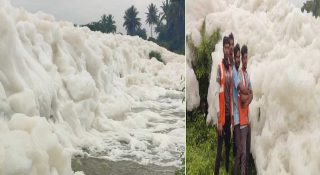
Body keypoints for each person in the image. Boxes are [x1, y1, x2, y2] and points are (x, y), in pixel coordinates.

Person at [214, 36, 233, 175]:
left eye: (229, 47)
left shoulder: (231, 68)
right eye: (225, 47)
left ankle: (226, 170)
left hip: (229, 115)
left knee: (228, 146)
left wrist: (231, 116)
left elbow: (231, 93)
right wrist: (219, 120)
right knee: (219, 150)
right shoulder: (219, 67)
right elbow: (216, 93)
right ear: (223, 49)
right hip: (221, 117)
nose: (227, 50)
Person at [238, 45, 253, 175]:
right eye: (244, 58)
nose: (246, 60)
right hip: (241, 121)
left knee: (247, 152)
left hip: (247, 119)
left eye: (247, 57)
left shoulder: (247, 75)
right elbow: (241, 99)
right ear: (241, 59)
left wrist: (247, 96)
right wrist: (247, 96)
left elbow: (251, 94)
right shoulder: (239, 74)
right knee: (242, 153)